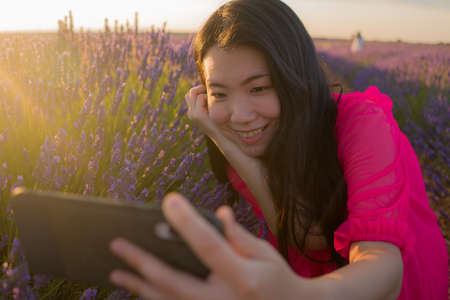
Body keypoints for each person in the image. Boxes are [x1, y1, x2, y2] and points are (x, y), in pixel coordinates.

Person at [108, 0, 448, 299]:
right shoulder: (239, 138)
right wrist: (224, 142)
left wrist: (300, 294)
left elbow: (384, 267)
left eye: (259, 88)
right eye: (220, 93)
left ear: (294, 78)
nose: (240, 117)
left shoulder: (362, 124)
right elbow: (307, 235)